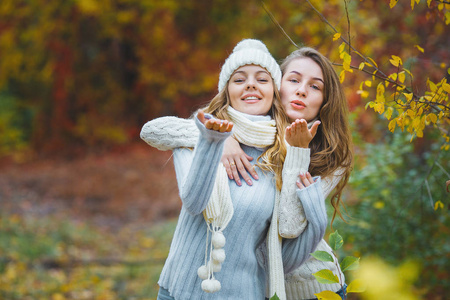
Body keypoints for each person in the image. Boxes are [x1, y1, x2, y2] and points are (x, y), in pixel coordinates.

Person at [142, 39, 328, 300]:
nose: (250, 84)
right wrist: (215, 140)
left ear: (274, 91)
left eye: (262, 79)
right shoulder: (196, 137)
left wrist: (318, 218)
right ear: (226, 90)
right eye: (239, 79)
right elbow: (195, 202)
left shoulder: (282, 156)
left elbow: (285, 244)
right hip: (177, 292)